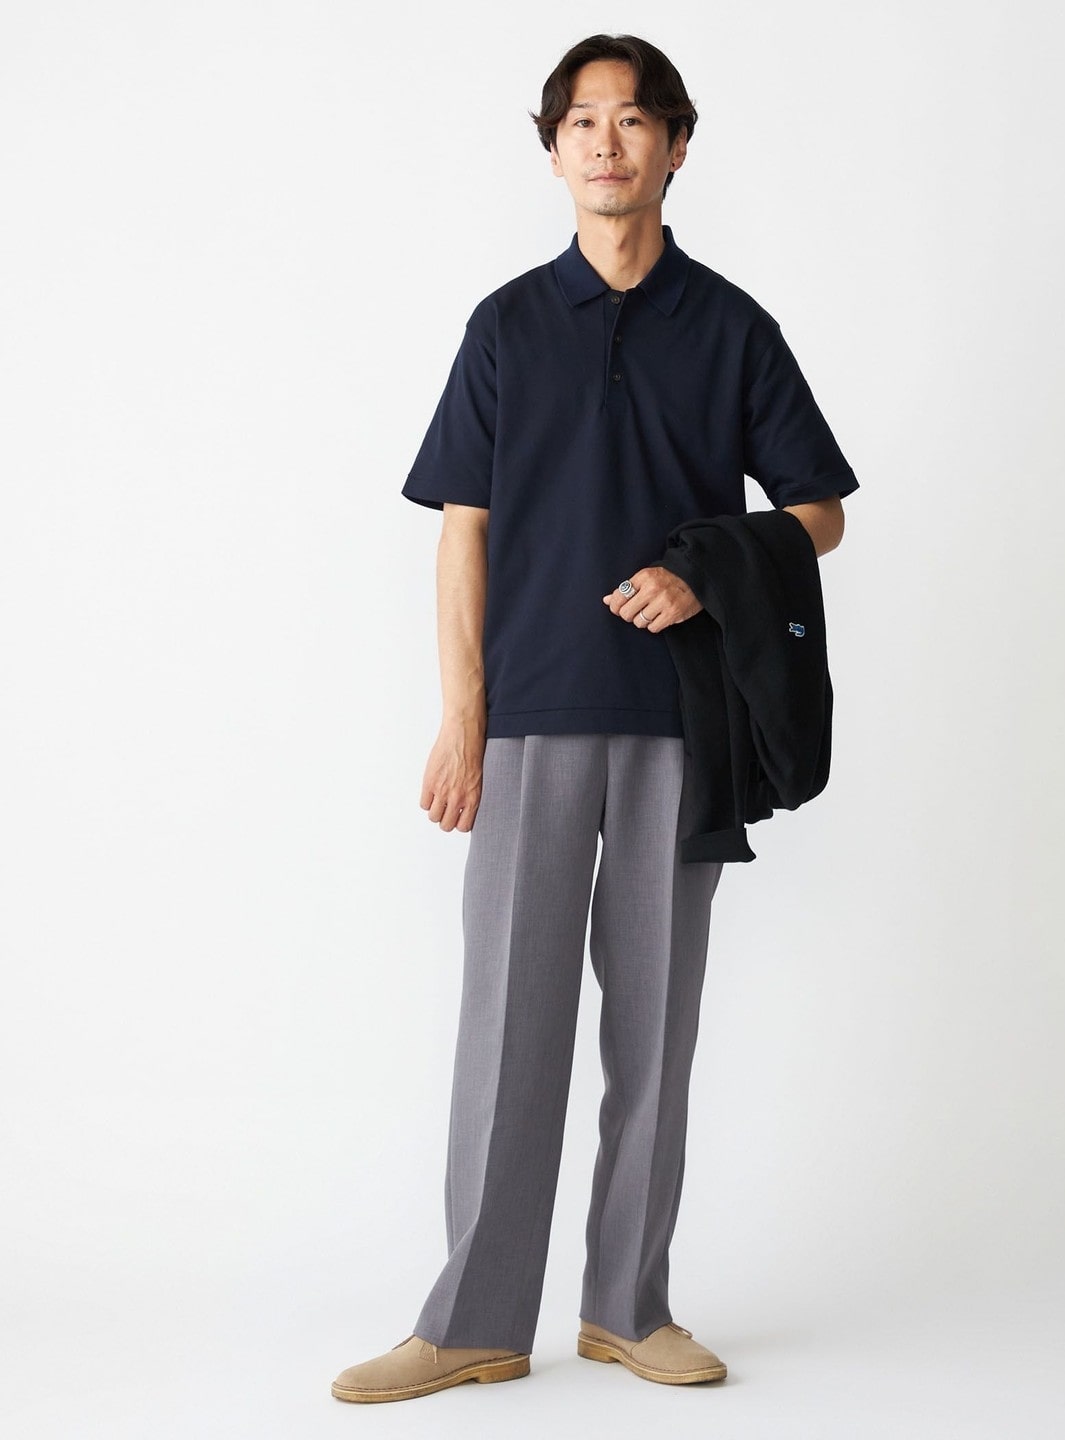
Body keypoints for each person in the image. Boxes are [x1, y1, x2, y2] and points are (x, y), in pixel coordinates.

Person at [330, 32, 859, 1405]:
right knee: (508, 1026)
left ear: (676, 145)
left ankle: (631, 1307)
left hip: (687, 724)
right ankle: (474, 1321)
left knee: (656, 1029)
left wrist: (707, 570)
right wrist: (461, 718)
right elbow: (463, 530)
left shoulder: (733, 328)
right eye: (582, 121)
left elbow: (818, 512)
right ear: (554, 148)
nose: (607, 142)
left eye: (632, 120)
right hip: (531, 719)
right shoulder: (506, 326)